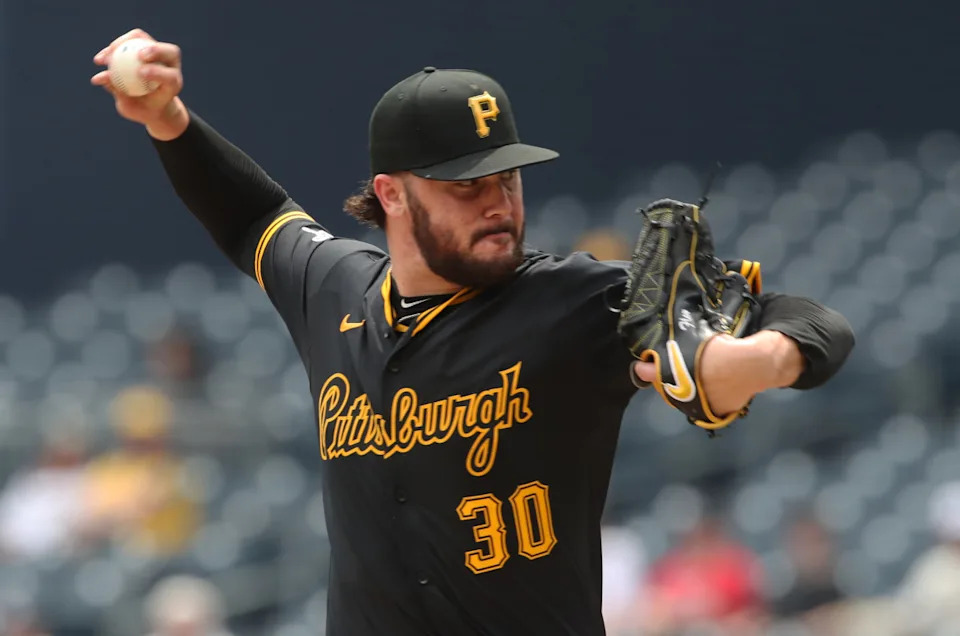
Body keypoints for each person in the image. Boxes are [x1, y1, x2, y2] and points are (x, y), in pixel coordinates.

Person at [91, 28, 854, 636]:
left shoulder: (580, 301)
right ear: (391, 194)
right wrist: (169, 121)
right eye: (467, 185)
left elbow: (820, 323)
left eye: (508, 178)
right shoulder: (335, 290)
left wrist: (759, 359)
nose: (498, 202)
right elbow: (254, 217)